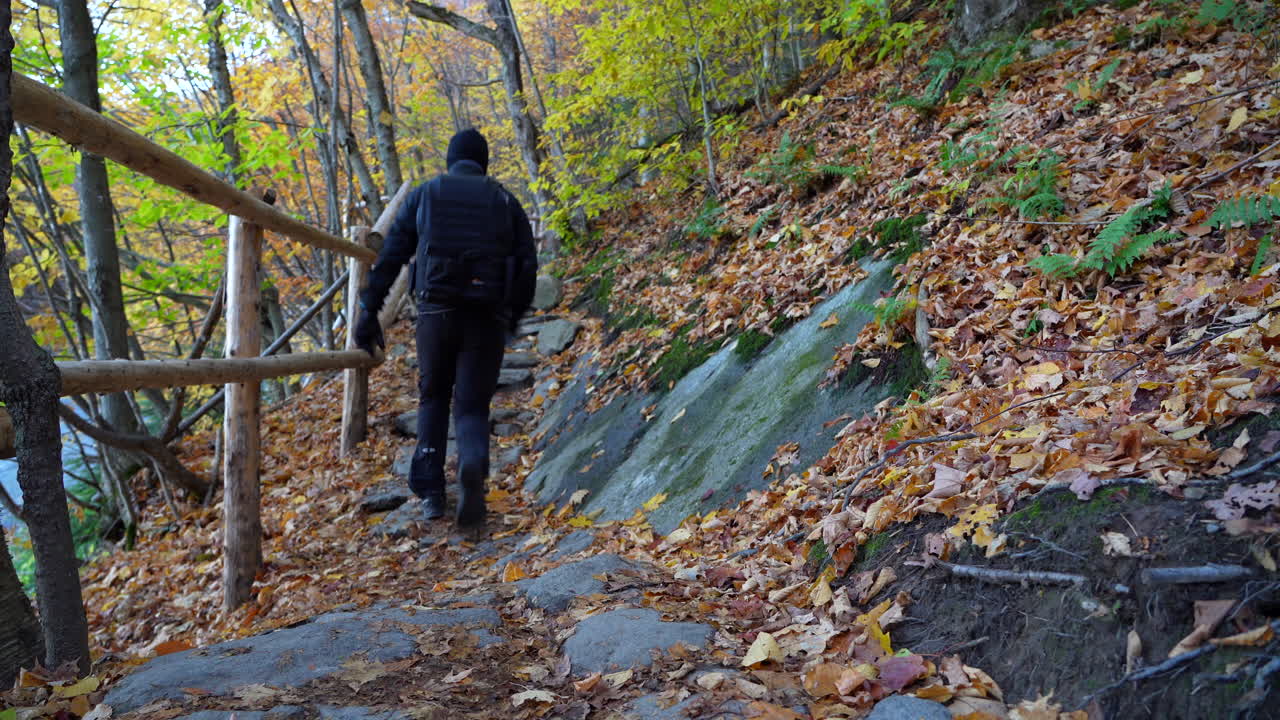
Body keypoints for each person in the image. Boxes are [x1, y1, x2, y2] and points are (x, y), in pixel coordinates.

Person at [354, 128, 537, 527]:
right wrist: (514, 317)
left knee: (433, 396)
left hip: (436, 314)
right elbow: (527, 265)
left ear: (451, 159)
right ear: (483, 161)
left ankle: (432, 492)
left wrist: (369, 311)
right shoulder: (504, 199)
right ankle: (472, 466)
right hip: (486, 317)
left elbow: (391, 256)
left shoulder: (426, 194)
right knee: (471, 405)